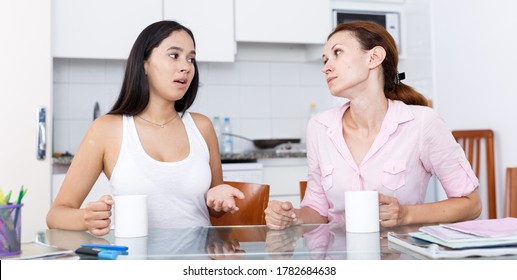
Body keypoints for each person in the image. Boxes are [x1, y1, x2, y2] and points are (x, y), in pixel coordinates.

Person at [265, 21, 482, 230]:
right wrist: (292, 217)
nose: (326, 67)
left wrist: (406, 214)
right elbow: (317, 210)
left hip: (400, 259)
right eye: (324, 60)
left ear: (374, 57)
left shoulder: (423, 122)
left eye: (337, 53)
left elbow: (471, 204)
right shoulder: (319, 127)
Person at [46, 20, 244, 236]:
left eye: (191, 59)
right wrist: (86, 217)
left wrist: (220, 202)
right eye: (174, 55)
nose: (186, 66)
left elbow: (216, 210)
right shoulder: (107, 129)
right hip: (137, 264)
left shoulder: (201, 127)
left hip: (196, 263)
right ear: (144, 63)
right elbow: (56, 215)